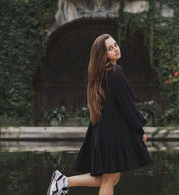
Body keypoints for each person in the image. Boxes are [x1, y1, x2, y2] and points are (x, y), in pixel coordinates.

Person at [47, 34, 152, 195]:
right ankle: (62, 181)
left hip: (107, 131)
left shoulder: (101, 74)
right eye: (110, 49)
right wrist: (140, 130)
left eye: (115, 45)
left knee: (110, 179)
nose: (116, 49)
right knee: (109, 179)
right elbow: (128, 104)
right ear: (103, 55)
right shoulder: (115, 72)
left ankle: (63, 181)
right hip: (114, 133)